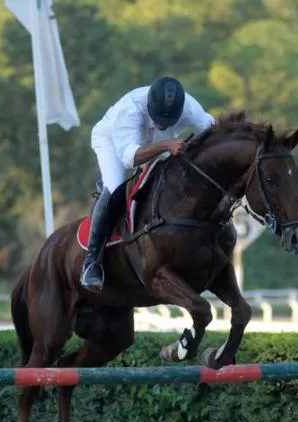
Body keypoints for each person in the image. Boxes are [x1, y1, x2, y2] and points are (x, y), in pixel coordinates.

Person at [80, 76, 217, 291]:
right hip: (113, 142)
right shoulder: (131, 109)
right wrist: (166, 144)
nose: (162, 124)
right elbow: (129, 158)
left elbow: (214, 131)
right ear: (149, 106)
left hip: (155, 145)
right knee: (115, 187)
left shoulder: (190, 107)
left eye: (168, 120)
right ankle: (91, 263)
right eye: (159, 119)